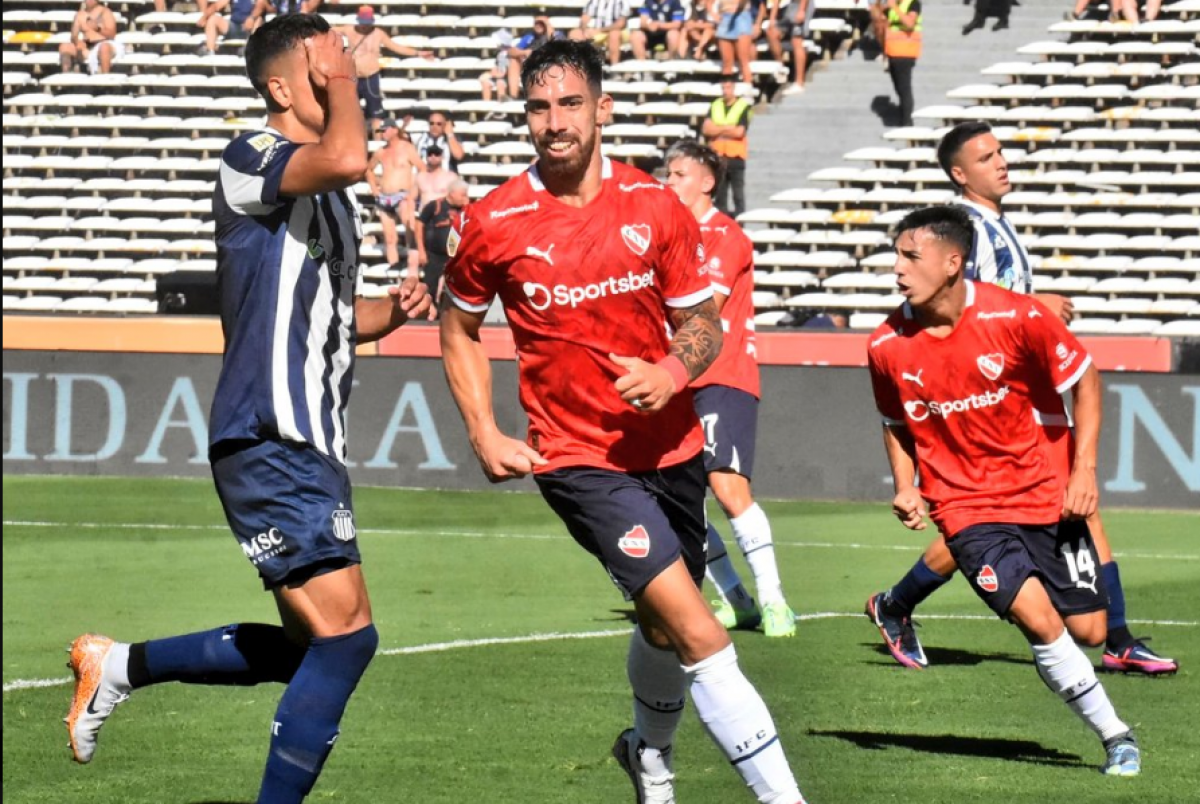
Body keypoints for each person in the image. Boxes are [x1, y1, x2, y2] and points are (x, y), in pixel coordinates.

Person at [63, 15, 434, 803]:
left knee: (313, 648)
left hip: (311, 439)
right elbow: (347, 153)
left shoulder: (331, 203)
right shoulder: (251, 156)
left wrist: (391, 315)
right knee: (347, 638)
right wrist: (346, 79)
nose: (339, 62)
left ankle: (119, 665)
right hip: (270, 430)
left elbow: (332, 314)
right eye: (321, 56)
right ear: (279, 85)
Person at [439, 39, 808, 804]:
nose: (553, 122)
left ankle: (647, 754)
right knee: (700, 628)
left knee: (661, 622)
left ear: (602, 109)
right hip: (578, 458)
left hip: (672, 449)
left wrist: (670, 372)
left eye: (569, 103)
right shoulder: (494, 220)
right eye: (538, 107)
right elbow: (458, 329)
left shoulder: (654, 207)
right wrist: (481, 429)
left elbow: (703, 323)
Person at [865, 121, 1179, 676]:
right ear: (960, 174)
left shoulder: (996, 224)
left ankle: (1113, 635)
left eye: (1000, 152)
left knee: (1060, 508)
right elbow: (970, 308)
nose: (1001, 162)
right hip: (1004, 405)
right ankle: (1116, 638)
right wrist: (1036, 300)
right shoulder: (968, 233)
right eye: (986, 158)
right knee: (1006, 517)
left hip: (1034, 397)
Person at [866, 204, 1142, 777]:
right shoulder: (885, 345)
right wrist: (906, 485)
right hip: (966, 507)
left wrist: (1084, 469)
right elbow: (895, 423)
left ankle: (895, 605)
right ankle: (1117, 736)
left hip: (1043, 490)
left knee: (1089, 631)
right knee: (1040, 622)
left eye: (910, 256)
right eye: (896, 254)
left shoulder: (1017, 317)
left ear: (952, 262)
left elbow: (1085, 379)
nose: (897, 268)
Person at [664, 139, 797, 638]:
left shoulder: (724, 235)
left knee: (727, 485)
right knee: (684, 498)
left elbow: (704, 310)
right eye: (667, 173)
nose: (668, 182)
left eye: (678, 174)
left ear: (706, 181)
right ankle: (736, 599)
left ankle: (775, 601)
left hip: (722, 374)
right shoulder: (669, 237)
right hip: (676, 380)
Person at [335, 6, 433, 131]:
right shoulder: (349, 30)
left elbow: (395, 47)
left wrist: (417, 53)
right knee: (348, 110)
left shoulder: (378, 34)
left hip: (370, 76)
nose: (365, 27)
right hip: (353, 76)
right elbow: (326, 29)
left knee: (376, 113)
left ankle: (377, 141)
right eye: (363, 24)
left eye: (367, 24)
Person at [366, 118, 422, 268]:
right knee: (389, 237)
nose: (382, 133)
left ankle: (413, 264)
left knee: (410, 230)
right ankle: (394, 266)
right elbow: (368, 169)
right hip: (384, 197)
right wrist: (374, 188)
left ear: (394, 130)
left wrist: (414, 192)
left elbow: (422, 169)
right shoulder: (381, 152)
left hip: (403, 195)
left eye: (385, 130)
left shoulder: (407, 148)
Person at [702, 74, 751, 218]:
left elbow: (739, 131)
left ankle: (741, 225)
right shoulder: (716, 105)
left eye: (728, 87)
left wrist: (718, 129)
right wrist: (728, 128)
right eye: (723, 87)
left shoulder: (743, 106)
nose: (725, 91)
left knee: (738, 195)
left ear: (734, 88)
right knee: (720, 196)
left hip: (736, 156)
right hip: (718, 156)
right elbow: (706, 129)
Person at [414, 179, 469, 305]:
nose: (466, 198)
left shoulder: (467, 208)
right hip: (434, 254)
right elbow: (419, 225)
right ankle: (427, 312)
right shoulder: (434, 206)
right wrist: (421, 250)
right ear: (452, 193)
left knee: (454, 288)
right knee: (430, 285)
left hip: (456, 256)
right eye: (463, 195)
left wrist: (468, 207)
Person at [59, 0, 124, 75]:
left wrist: (97, 29)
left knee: (104, 47)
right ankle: (66, 76)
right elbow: (74, 37)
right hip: (87, 46)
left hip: (105, 43)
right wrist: (77, 42)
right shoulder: (80, 15)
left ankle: (105, 79)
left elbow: (112, 34)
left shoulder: (105, 12)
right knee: (64, 46)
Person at [882, 0, 920, 127]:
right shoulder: (893, 6)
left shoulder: (913, 3)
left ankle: (907, 122)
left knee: (904, 89)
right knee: (898, 88)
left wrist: (894, 7)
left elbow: (909, 24)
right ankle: (904, 116)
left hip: (905, 53)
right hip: (892, 52)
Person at [570, 0, 631, 66]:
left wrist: (599, 30)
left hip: (617, 31)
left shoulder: (622, 1)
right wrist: (585, 30)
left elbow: (621, 24)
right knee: (575, 33)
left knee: (614, 34)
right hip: (597, 32)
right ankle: (580, 67)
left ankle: (614, 67)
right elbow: (585, 18)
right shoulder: (593, 1)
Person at [715, 0, 755, 83]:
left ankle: (747, 90)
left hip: (741, 16)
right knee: (726, 62)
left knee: (743, 60)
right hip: (725, 17)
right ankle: (728, 91)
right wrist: (714, 15)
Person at [780, 0, 813, 96]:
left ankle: (799, 82)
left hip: (802, 5)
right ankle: (781, 69)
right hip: (792, 5)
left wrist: (802, 10)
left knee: (797, 41)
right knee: (774, 32)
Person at [414, 143, 458, 209]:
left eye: (437, 154)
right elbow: (411, 198)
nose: (433, 157)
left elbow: (458, 199)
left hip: (443, 215)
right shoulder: (419, 177)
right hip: (424, 216)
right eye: (430, 154)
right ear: (426, 157)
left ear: (442, 157)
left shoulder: (451, 177)